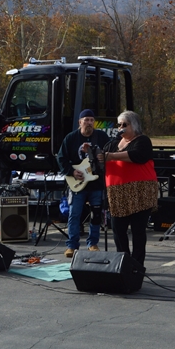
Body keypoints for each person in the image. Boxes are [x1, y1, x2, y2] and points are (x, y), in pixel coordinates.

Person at [103, 111, 157, 267]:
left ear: (134, 125)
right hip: (117, 192)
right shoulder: (113, 143)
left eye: (124, 124)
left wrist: (111, 156)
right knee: (118, 229)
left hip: (139, 190)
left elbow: (137, 156)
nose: (120, 127)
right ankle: (124, 262)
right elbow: (103, 158)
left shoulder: (142, 141)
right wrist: (93, 153)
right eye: (118, 124)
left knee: (137, 230)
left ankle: (137, 265)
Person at [57, 109, 109, 258]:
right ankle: (72, 246)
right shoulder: (71, 138)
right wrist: (71, 172)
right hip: (77, 183)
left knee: (96, 215)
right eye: (86, 120)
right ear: (80, 122)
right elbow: (61, 158)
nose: (89, 123)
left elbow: (110, 155)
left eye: (91, 120)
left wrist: (103, 158)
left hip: (96, 183)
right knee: (74, 214)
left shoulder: (102, 137)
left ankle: (93, 243)